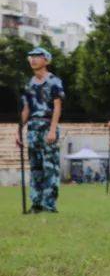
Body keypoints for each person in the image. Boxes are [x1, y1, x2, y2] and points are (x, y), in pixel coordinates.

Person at [17, 47, 64, 213]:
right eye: (31, 57)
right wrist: (19, 131)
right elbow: (26, 109)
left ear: (46, 60)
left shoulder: (54, 81)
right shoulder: (29, 83)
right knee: (35, 168)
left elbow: (57, 107)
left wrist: (52, 130)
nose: (33, 60)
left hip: (47, 126)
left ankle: (49, 205)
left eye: (37, 56)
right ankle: (36, 204)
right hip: (32, 129)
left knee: (50, 167)